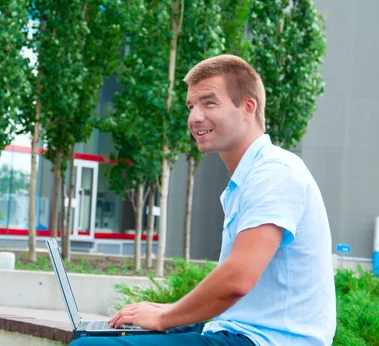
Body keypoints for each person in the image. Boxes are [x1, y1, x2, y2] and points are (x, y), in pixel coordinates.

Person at [70, 54, 336, 346]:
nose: (194, 117)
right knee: (103, 334)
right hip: (240, 331)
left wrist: (164, 317)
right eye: (191, 106)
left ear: (248, 108)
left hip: (266, 341)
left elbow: (237, 280)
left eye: (209, 103)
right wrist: (168, 310)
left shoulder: (275, 174)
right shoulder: (249, 178)